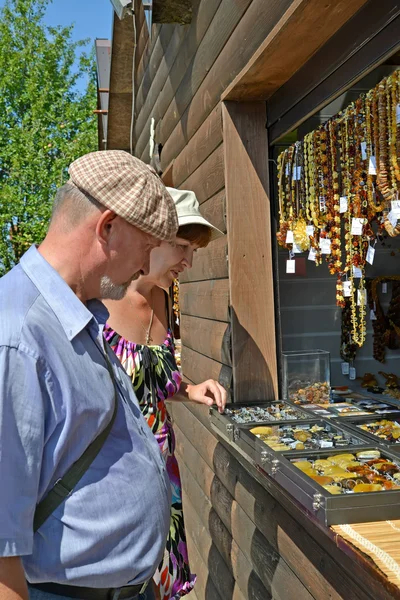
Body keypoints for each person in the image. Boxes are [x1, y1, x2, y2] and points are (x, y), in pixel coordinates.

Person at [0, 150, 180, 600]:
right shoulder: (17, 335)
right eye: (145, 249)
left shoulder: (79, 314)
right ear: (107, 227)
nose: (144, 267)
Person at [103, 188, 228, 600]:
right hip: (114, 484)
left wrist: (191, 389)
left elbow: (155, 380)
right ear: (148, 239)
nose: (188, 261)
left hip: (162, 477)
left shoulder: (161, 297)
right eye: (179, 246)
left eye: (191, 250)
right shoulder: (96, 301)